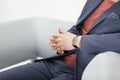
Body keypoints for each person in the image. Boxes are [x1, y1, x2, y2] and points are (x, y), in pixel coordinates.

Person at [0, 0, 120, 80]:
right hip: (57, 62)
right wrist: (61, 40)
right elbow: (81, 27)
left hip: (80, 73)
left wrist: (76, 41)